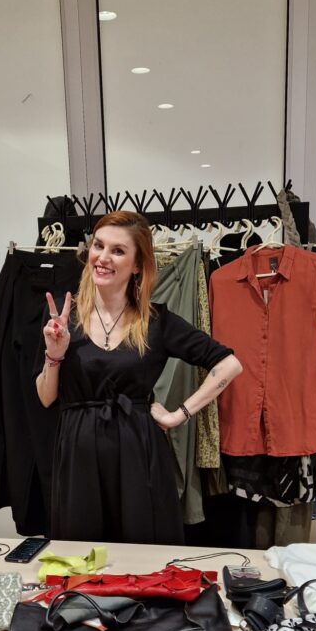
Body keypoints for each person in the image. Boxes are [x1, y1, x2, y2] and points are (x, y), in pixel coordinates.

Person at [35, 210, 242, 544]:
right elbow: (46, 397)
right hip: (79, 455)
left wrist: (179, 414)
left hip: (138, 453)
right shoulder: (63, 316)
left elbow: (228, 364)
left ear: (137, 265)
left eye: (118, 251)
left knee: (143, 551)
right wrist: (55, 354)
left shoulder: (156, 321)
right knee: (82, 556)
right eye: (98, 246)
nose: (103, 257)